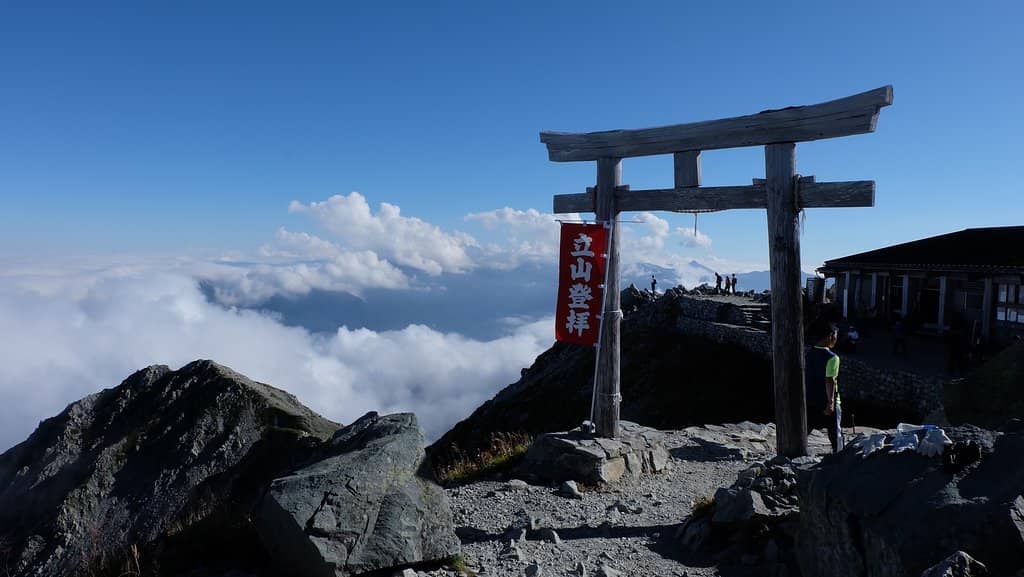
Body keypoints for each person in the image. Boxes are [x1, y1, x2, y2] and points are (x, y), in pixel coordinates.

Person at [805, 320, 843, 453]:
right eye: (835, 336)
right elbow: (829, 380)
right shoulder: (832, 358)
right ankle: (839, 456)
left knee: (805, 429)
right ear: (830, 336)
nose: (836, 340)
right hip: (826, 401)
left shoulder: (809, 353)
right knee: (835, 433)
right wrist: (831, 402)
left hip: (810, 399)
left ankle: (795, 451)